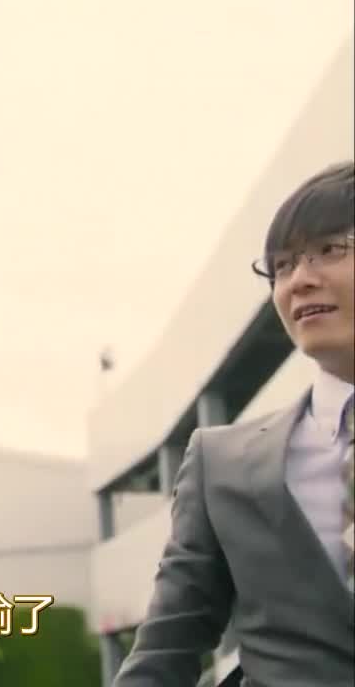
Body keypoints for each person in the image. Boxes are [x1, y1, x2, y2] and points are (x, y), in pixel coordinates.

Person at [114, 160, 355, 686]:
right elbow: (166, 650)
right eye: (282, 265)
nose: (300, 280)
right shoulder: (222, 462)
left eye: (330, 249)